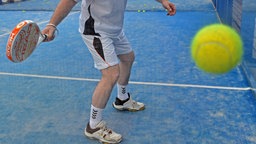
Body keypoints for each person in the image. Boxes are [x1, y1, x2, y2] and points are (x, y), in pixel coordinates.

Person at [42, 0, 176, 143]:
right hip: (95, 31)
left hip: (115, 29)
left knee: (128, 58)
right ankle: (93, 126)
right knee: (111, 74)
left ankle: (122, 99)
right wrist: (52, 25)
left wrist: (163, 1)